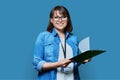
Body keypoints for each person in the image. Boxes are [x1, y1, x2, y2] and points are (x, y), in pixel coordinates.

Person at [33, 5, 90, 80]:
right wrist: (58, 64)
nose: (60, 20)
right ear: (51, 20)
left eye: (63, 17)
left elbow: (73, 63)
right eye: (56, 17)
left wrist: (83, 60)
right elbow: (37, 63)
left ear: (68, 19)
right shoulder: (43, 36)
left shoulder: (74, 38)